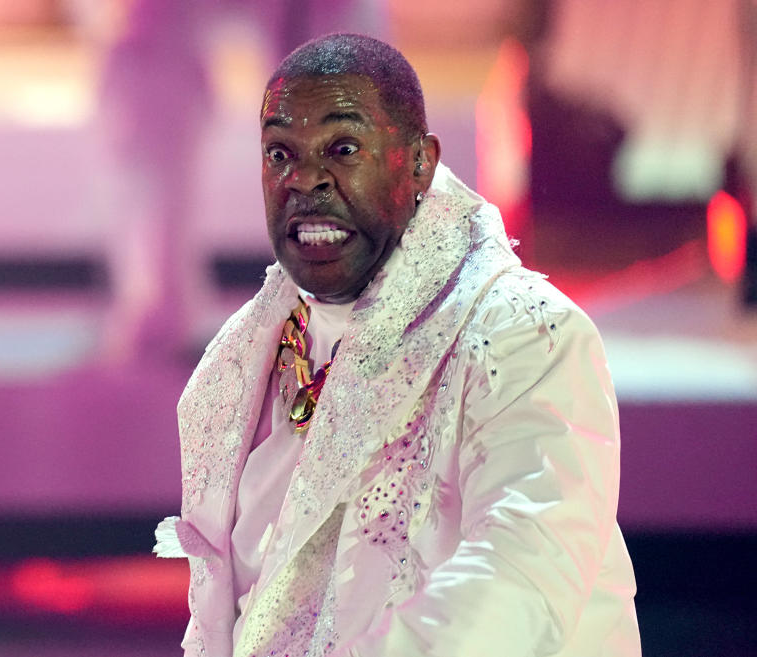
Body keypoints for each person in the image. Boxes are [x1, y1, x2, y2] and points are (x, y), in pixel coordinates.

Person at [154, 33, 641, 657]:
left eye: (343, 147)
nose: (304, 179)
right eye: (280, 152)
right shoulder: (242, 357)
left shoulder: (525, 336)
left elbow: (520, 578)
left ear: (419, 164)